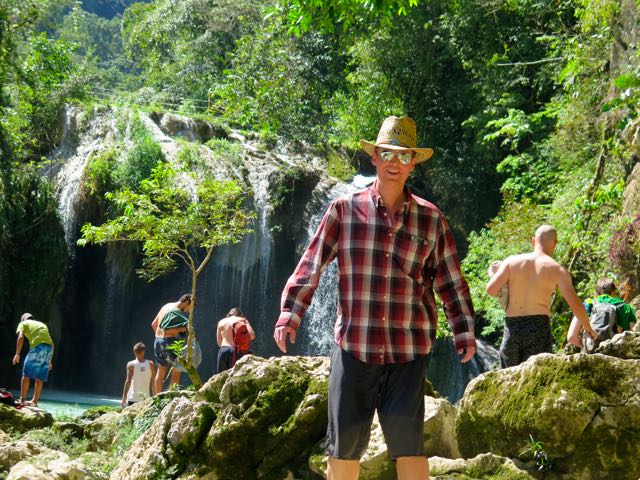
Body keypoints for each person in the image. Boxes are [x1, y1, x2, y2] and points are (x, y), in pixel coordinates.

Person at [274, 116, 476, 480]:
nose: (394, 162)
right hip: (354, 347)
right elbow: (312, 262)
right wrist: (290, 312)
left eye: (402, 155)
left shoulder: (432, 220)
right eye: (387, 153)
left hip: (408, 351)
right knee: (343, 449)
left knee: (410, 449)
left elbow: (451, 281)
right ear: (374, 158)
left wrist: (463, 330)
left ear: (413, 161)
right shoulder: (344, 210)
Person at [486, 225, 597, 368]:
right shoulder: (557, 270)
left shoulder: (511, 261)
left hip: (511, 328)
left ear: (533, 241)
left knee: (509, 381)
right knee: (536, 382)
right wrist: (588, 328)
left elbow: (491, 290)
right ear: (555, 243)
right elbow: (575, 304)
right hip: (538, 328)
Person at [566, 277, 636, 349]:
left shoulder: (588, 304)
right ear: (613, 292)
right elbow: (632, 336)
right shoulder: (626, 307)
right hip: (614, 350)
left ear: (596, 294)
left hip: (591, 350)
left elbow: (571, 337)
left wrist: (585, 347)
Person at [151, 293, 191, 393]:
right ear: (186, 301)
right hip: (170, 341)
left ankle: (157, 400)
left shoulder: (166, 306)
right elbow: (187, 329)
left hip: (158, 340)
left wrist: (160, 337)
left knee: (160, 372)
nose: (189, 310)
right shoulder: (176, 311)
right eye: (191, 307)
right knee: (176, 372)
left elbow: (154, 324)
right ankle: (171, 399)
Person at [12, 313, 55, 407]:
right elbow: (51, 343)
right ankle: (34, 402)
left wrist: (17, 353)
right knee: (39, 377)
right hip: (48, 349)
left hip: (37, 347)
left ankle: (22, 400)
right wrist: (50, 360)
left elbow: (20, 337)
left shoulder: (23, 323)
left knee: (26, 374)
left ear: (23, 320)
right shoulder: (42, 324)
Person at [216, 307, 255, 373]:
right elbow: (252, 336)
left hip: (223, 351)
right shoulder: (242, 320)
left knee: (221, 377)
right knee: (234, 376)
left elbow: (219, 343)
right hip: (236, 351)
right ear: (240, 315)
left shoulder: (221, 322)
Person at [121, 342, 156, 408]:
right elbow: (153, 381)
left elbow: (128, 382)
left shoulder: (131, 365)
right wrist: (155, 395)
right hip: (145, 398)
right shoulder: (151, 364)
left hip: (133, 398)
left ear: (134, 352)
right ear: (144, 351)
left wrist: (123, 399)